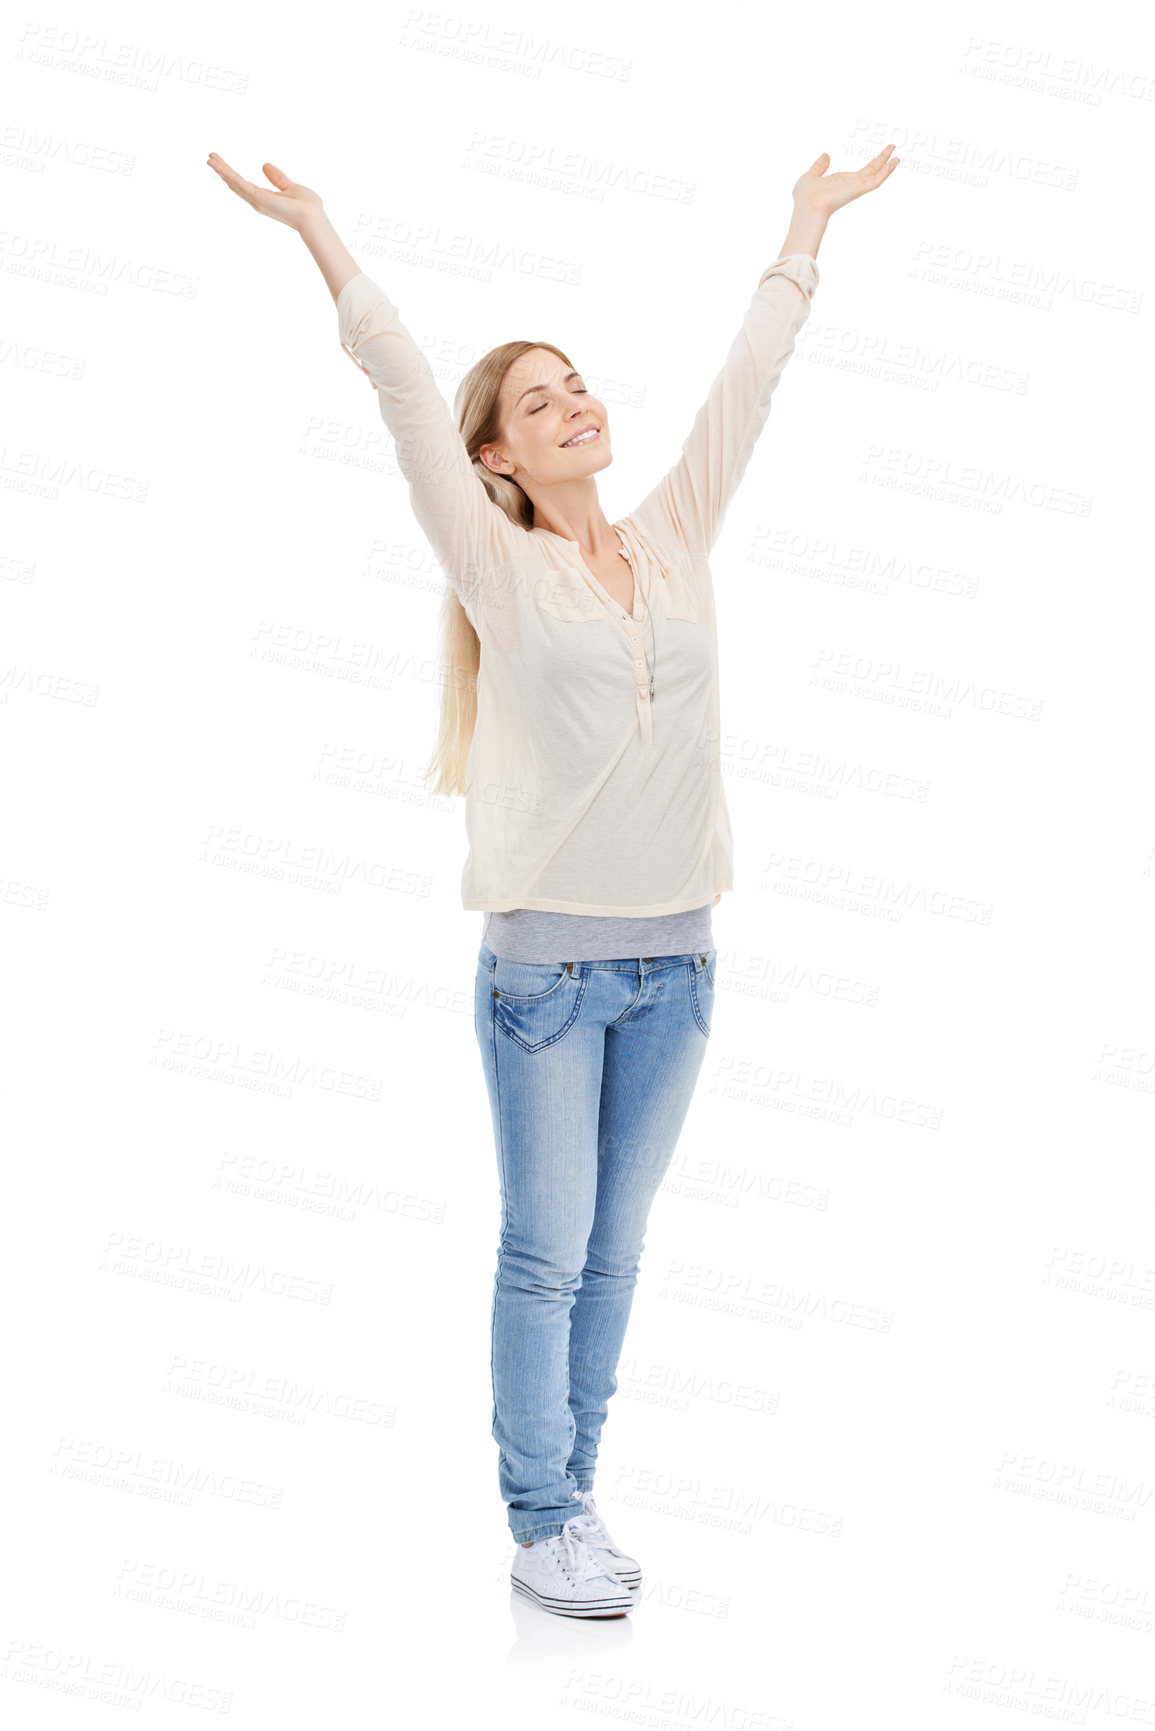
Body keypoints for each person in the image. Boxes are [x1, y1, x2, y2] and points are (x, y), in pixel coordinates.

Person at [206, 144, 900, 1619]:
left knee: (620, 1252)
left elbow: (749, 382)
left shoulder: (670, 538)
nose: (573, 403)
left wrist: (805, 226)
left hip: (679, 966)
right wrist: (321, 232)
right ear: (498, 462)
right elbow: (401, 385)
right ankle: (541, 1520)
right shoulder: (497, 567)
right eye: (537, 400)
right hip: (546, 973)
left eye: (575, 382)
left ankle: (578, 1497)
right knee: (547, 1252)